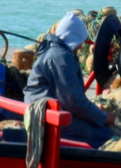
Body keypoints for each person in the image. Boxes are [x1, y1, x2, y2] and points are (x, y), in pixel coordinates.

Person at [24, 12, 113, 147]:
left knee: (98, 128)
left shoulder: (54, 51)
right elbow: (74, 102)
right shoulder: (60, 58)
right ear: (72, 38)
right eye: (79, 41)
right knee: (106, 135)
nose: (82, 46)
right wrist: (103, 117)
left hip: (43, 111)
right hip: (44, 118)